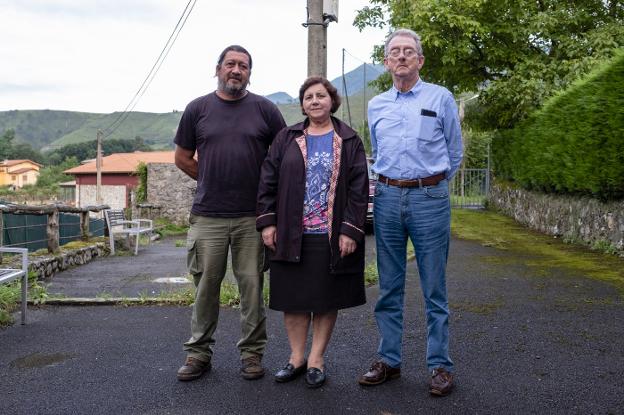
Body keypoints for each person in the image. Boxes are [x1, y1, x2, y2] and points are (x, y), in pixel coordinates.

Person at [357, 29, 463, 396]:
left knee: (434, 287)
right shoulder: (376, 106)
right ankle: (389, 360)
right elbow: (377, 148)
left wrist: (430, 184)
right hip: (385, 198)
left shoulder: (441, 97)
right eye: (394, 52)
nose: (401, 57)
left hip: (429, 199)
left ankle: (440, 366)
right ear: (386, 62)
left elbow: (454, 152)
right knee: (389, 286)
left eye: (408, 52)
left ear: (420, 60)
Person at [173, 45, 286, 382]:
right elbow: (182, 157)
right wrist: (209, 177)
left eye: (244, 66)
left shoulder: (265, 110)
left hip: (253, 217)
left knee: (251, 287)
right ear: (218, 68)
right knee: (206, 286)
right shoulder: (198, 109)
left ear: (250, 73)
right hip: (208, 215)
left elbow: (282, 157)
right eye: (231, 64)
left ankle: (252, 355)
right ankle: (198, 354)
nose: (237, 70)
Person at [256, 76, 368, 388]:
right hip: (291, 233)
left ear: (332, 101)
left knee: (325, 298)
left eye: (321, 96)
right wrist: (267, 222)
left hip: (329, 236)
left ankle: (316, 358)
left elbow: (359, 189)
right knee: (292, 298)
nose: (315, 101)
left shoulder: (349, 140)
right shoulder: (286, 138)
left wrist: (350, 230)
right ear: (303, 104)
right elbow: (268, 181)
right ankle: (296, 357)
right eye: (308, 97)